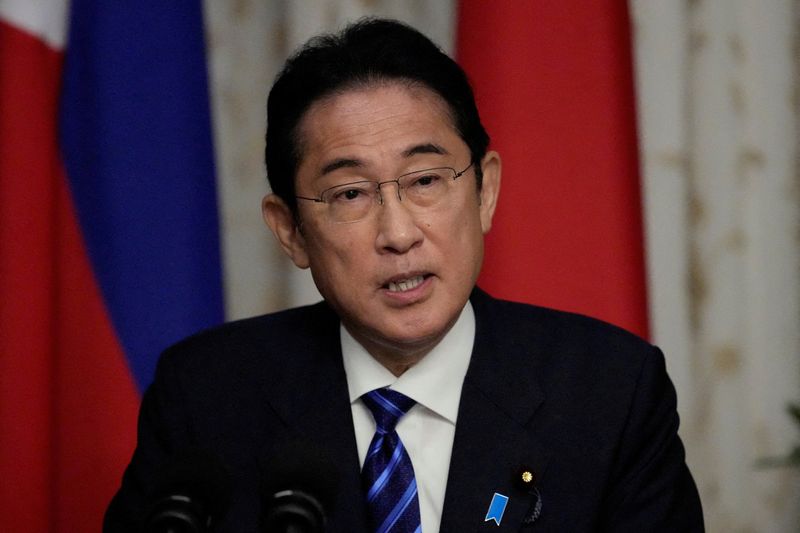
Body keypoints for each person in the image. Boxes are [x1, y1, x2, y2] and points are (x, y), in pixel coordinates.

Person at [105, 18, 704, 532]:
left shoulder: (609, 393)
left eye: (424, 181)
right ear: (289, 230)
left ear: (484, 190)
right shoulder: (205, 399)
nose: (398, 233)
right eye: (349, 194)